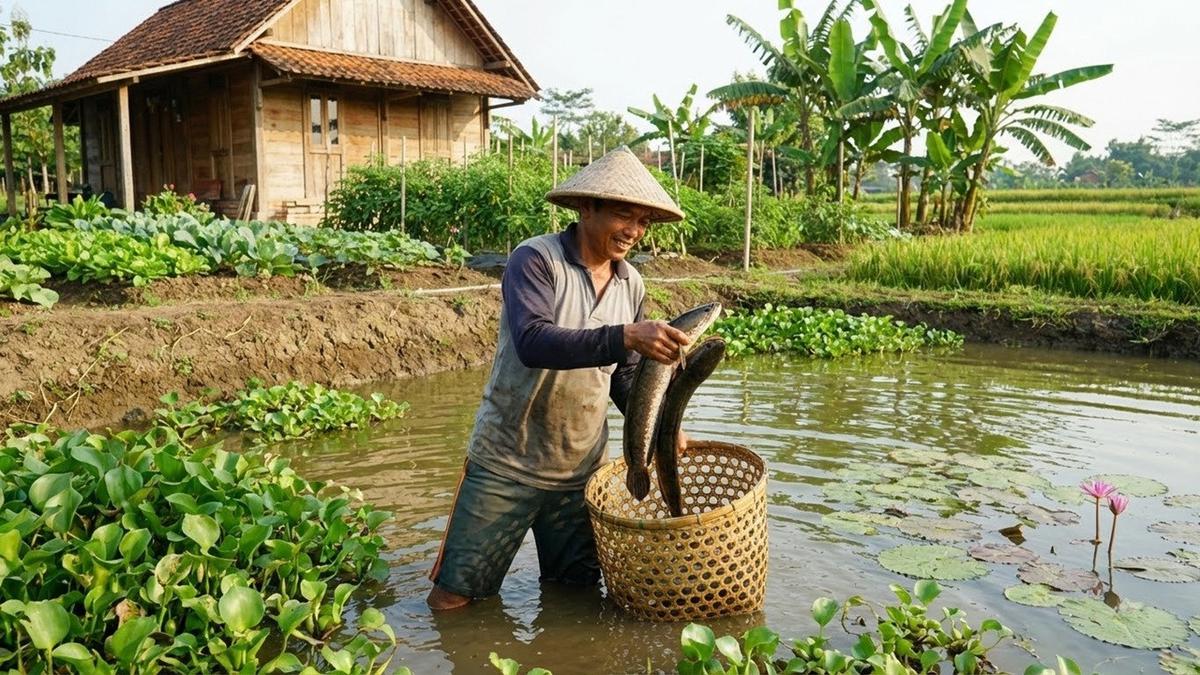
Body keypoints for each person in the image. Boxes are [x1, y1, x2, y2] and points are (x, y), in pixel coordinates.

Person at [427, 147, 691, 610]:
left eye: (644, 222)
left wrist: (661, 427)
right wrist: (626, 335)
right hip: (506, 463)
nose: (634, 231)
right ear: (586, 207)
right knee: (454, 599)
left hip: (580, 472)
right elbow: (534, 341)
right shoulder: (536, 260)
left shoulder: (632, 284)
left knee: (575, 596)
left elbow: (625, 378)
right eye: (624, 215)